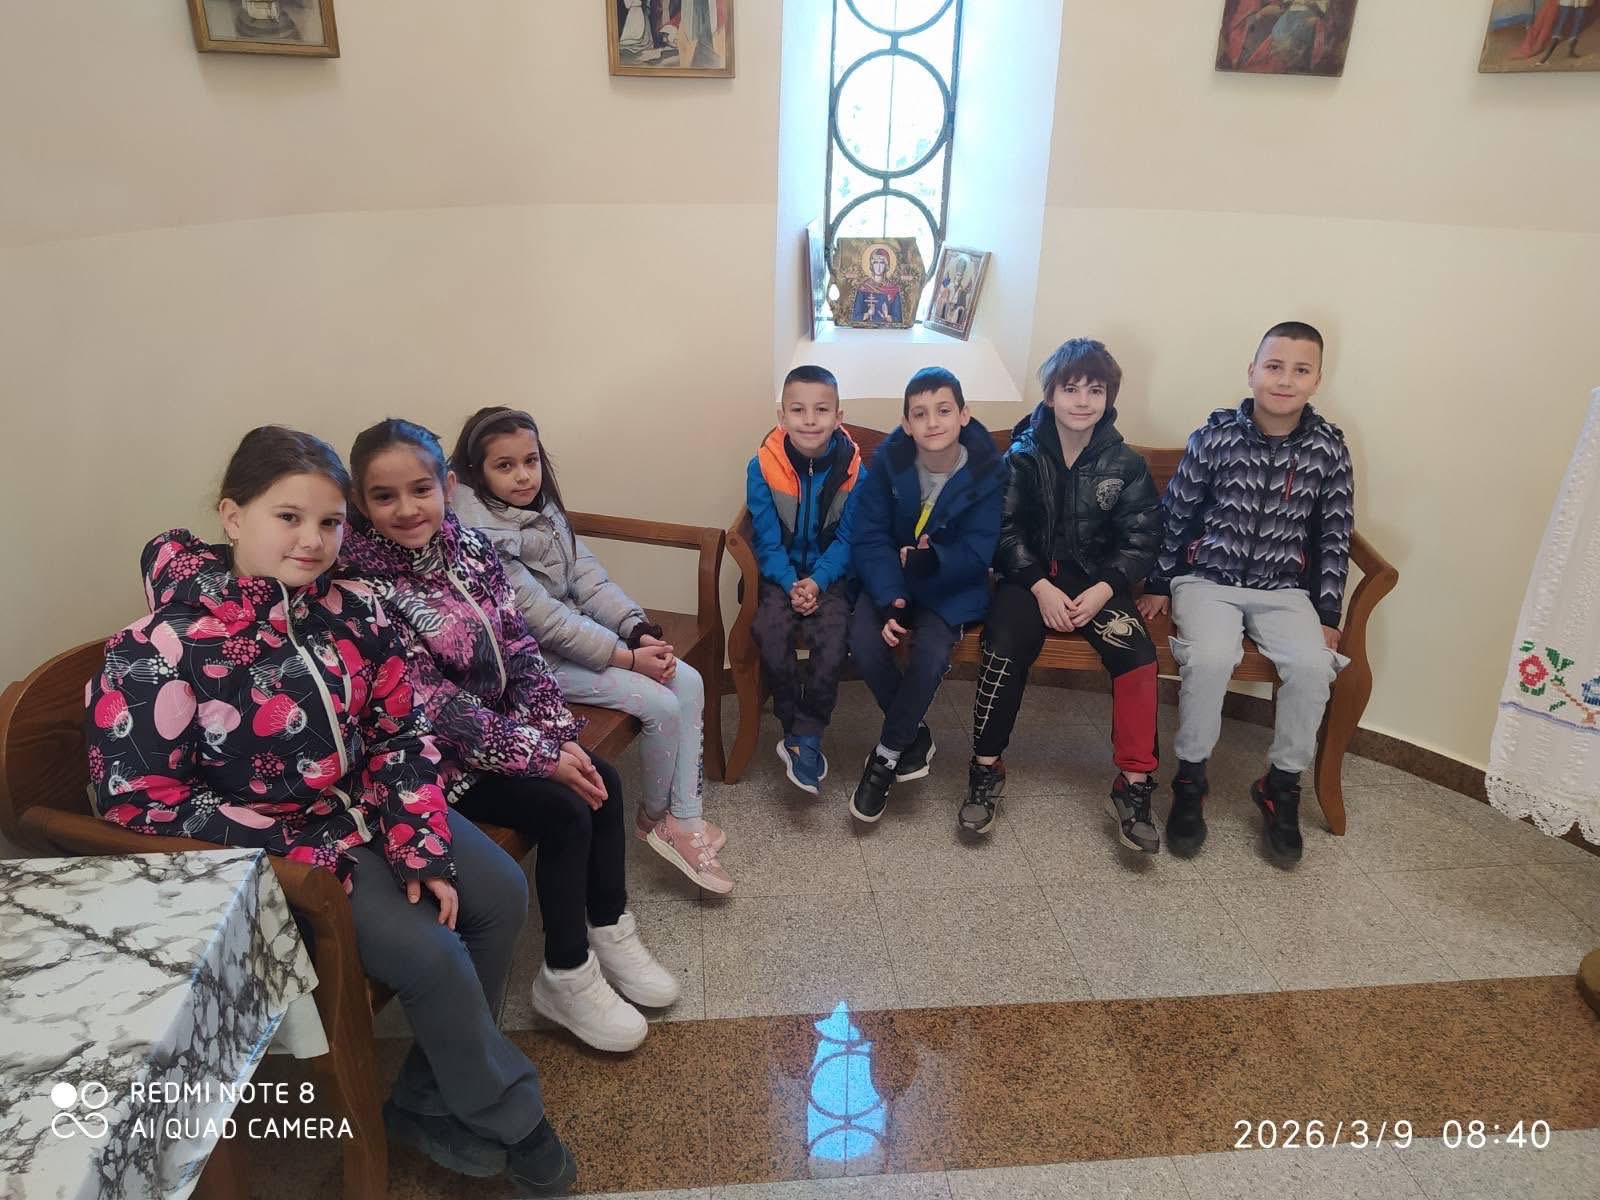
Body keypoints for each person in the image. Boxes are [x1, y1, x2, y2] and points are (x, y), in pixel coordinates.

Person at [84, 426, 575, 1192]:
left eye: (330, 521)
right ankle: (512, 1115)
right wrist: (312, 850)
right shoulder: (160, 648)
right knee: (433, 954)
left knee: (501, 892)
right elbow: (140, 804)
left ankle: (426, 1096)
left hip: (373, 808)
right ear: (233, 515)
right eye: (289, 517)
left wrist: (417, 842)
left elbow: (397, 730)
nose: (312, 540)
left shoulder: (353, 608)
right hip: (285, 855)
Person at [341, 419, 679, 1055]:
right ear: (360, 501)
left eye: (421, 490)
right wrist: (541, 758)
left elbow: (520, 648)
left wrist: (555, 737)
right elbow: (433, 706)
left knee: (600, 780)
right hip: (434, 763)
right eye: (385, 496)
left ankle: (609, 930)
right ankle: (566, 974)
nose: (407, 509)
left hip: (504, 735)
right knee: (564, 810)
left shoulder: (469, 548)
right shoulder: (363, 589)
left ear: (447, 486)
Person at [450, 406, 732, 893]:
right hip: (534, 665)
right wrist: (628, 659)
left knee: (688, 679)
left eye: (530, 461)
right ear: (476, 471)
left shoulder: (541, 509)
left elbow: (588, 577)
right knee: (662, 702)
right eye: (505, 465)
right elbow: (543, 619)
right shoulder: (481, 539)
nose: (524, 476)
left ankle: (680, 819)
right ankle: (660, 820)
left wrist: (637, 630)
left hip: (582, 640)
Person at [1137, 322, 1353, 864]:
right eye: (1274, 366)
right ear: (1252, 371)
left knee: (1313, 666)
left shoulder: (1328, 450)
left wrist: (1328, 612)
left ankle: (1280, 785)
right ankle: (1190, 780)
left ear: (1317, 380)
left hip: (1284, 590)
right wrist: (1159, 581)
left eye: (1300, 370)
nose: (1285, 380)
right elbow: (1176, 513)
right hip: (1207, 581)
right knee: (1211, 657)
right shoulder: (1215, 438)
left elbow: (1334, 535)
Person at [964, 339, 1163, 845]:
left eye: (1094, 390)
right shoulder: (1021, 456)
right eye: (1070, 388)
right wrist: (1039, 586)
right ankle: (986, 768)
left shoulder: (1126, 463)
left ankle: (1134, 784)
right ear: (1050, 395)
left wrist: (1103, 590)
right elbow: (1002, 530)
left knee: (1138, 656)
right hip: (1028, 579)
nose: (1082, 400)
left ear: (1108, 397)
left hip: (1098, 583)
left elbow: (1141, 541)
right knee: (1002, 647)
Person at [847, 367, 1006, 823]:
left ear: (964, 414)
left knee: (932, 653)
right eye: (920, 413)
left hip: (948, 585)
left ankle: (886, 755)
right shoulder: (888, 464)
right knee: (864, 642)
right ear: (906, 423)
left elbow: (979, 551)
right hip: (891, 581)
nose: (933, 422)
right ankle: (914, 733)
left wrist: (931, 557)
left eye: (943, 410)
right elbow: (869, 537)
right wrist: (892, 600)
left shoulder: (987, 471)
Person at [745, 365, 865, 794]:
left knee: (834, 636)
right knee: (769, 629)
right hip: (779, 574)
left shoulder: (855, 471)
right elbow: (765, 538)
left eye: (821, 410)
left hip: (829, 576)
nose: (810, 420)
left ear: (838, 416)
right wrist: (789, 582)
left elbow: (849, 539)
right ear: (782, 416)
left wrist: (816, 582)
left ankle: (809, 734)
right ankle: (792, 726)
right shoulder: (762, 466)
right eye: (798, 410)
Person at [851, 245, 904, 325]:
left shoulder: (893, 289)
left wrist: (887, 317)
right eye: (876, 263)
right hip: (864, 331)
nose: (878, 267)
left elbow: (898, 319)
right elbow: (855, 317)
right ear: (871, 265)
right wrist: (868, 314)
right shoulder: (863, 288)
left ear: (886, 265)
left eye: (882, 263)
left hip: (887, 330)